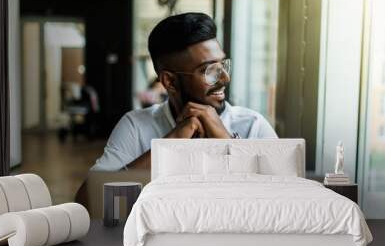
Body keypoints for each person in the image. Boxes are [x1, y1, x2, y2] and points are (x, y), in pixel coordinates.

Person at [91, 12, 277, 171]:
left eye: (222, 65)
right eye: (209, 70)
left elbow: (287, 199)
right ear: (170, 81)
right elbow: (90, 202)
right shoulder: (137, 126)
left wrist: (225, 141)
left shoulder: (252, 125)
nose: (225, 78)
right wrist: (171, 143)